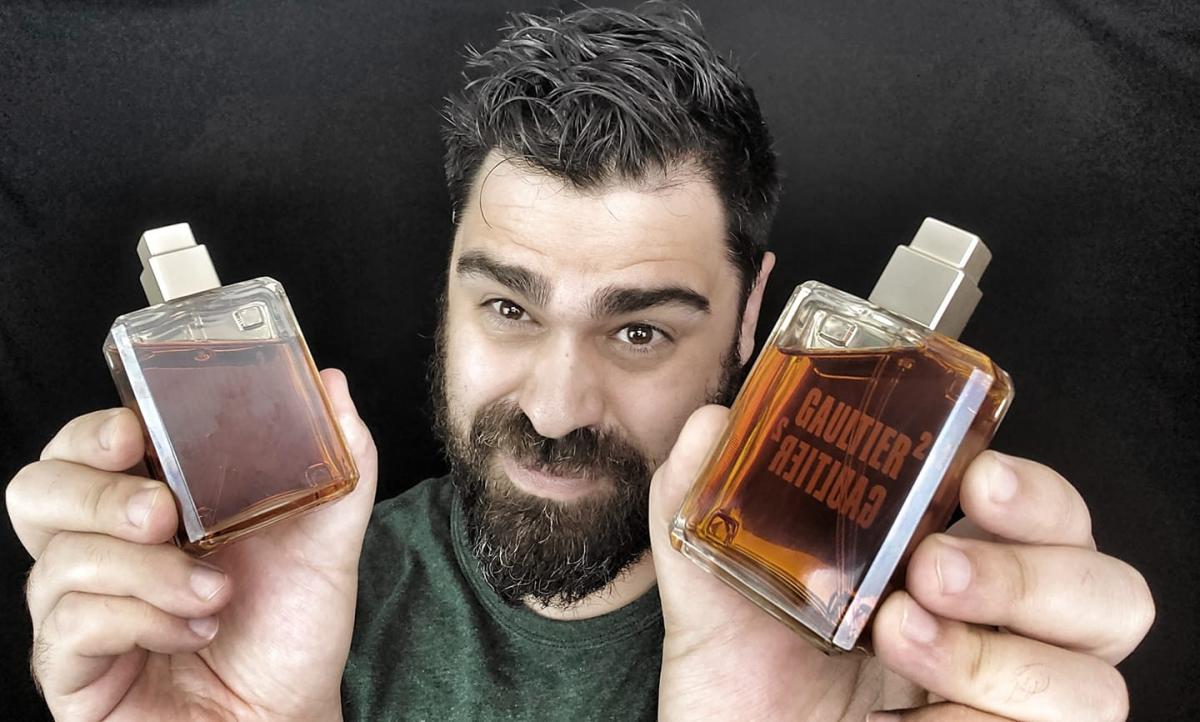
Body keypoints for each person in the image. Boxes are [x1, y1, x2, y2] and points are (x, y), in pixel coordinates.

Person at [5, 4, 1154, 720]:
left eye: (640, 329)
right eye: (508, 305)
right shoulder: (247, 610)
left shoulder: (875, 659)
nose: (556, 408)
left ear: (754, 316)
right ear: (446, 289)